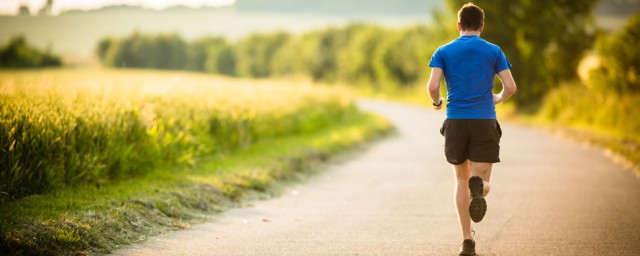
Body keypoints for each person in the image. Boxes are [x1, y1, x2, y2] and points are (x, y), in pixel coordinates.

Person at [427, 2, 517, 256]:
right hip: (483, 120)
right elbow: (510, 87)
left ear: (458, 25)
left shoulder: (443, 51)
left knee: (460, 179)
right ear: (481, 26)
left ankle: (467, 240)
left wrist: (437, 103)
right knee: (481, 180)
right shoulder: (493, 51)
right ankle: (482, 188)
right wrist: (498, 98)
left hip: (455, 120)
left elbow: (433, 86)